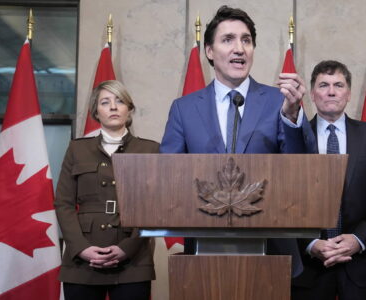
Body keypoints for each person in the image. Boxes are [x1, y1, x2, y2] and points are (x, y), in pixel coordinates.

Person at [160, 5, 314, 275]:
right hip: (205, 248)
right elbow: (168, 175)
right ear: (209, 51)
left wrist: (291, 115)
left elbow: (302, 166)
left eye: (246, 40)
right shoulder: (184, 109)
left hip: (272, 249)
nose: (239, 48)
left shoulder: (280, 101)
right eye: (228, 39)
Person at [291, 60, 366, 299]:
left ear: (348, 94)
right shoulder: (294, 138)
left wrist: (359, 239)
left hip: (363, 263)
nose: (331, 91)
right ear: (312, 94)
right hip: (310, 267)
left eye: (338, 85)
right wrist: (311, 243)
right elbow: (286, 198)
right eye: (323, 85)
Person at [55, 80, 159, 300]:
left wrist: (127, 248)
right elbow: (63, 203)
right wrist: (81, 248)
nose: (113, 107)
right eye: (105, 102)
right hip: (81, 260)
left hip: (133, 259)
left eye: (119, 101)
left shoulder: (150, 149)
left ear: (129, 109)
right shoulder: (77, 149)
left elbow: (154, 205)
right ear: (96, 112)